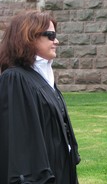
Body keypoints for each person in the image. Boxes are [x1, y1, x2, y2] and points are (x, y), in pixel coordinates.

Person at [0, 10, 80, 183]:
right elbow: (18, 141)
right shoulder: (15, 79)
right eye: (51, 35)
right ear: (29, 36)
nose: (56, 41)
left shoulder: (43, 77)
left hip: (60, 170)